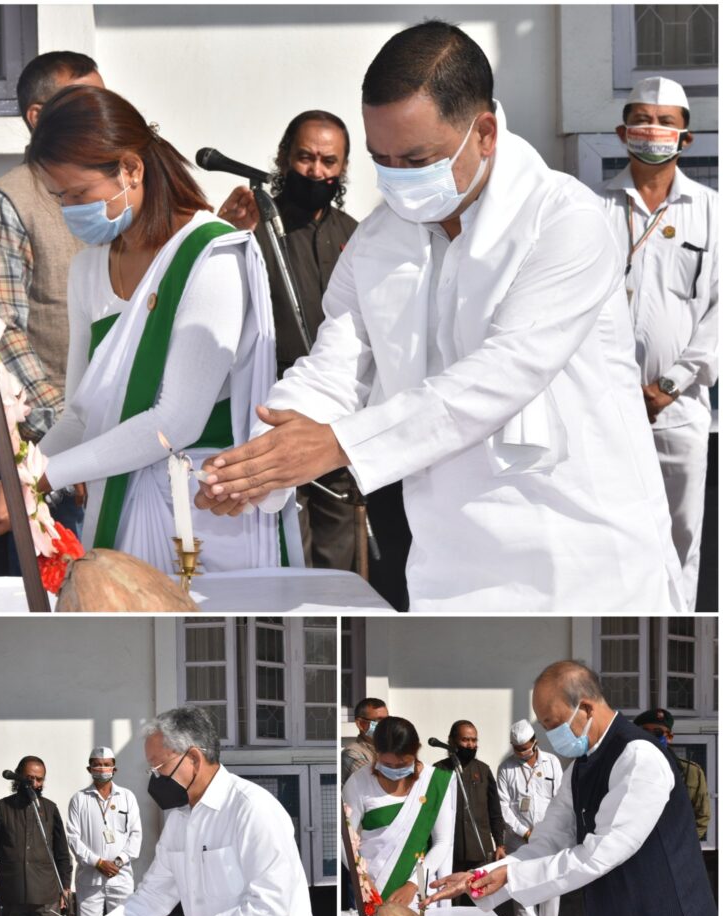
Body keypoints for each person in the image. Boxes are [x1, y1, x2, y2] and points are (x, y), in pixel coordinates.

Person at [196, 20, 685, 615]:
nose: (398, 178)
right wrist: (259, 464)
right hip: (447, 567)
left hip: (582, 558)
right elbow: (336, 367)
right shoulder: (378, 240)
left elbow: (501, 375)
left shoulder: (565, 221)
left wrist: (340, 444)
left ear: (484, 133)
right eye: (381, 159)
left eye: (416, 158)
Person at [0, 85, 295, 575]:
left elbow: (175, 422)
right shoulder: (88, 270)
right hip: (119, 512)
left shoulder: (210, 255)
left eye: (79, 194)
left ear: (130, 169)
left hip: (205, 520)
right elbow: (79, 417)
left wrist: (42, 478)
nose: (69, 210)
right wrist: (17, 482)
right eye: (60, 197)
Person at [423, 661, 718, 916]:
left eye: (552, 723)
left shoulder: (638, 757)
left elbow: (600, 853)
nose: (549, 735)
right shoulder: (581, 766)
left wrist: (510, 876)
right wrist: (479, 877)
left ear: (586, 708)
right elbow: (548, 840)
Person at [219, 112, 411, 598]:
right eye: (306, 157)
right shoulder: (257, 227)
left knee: (338, 552)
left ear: (344, 167)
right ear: (285, 157)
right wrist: (224, 234)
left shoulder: (358, 234)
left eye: (329, 161)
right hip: (272, 408)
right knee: (285, 546)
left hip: (342, 417)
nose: (316, 171)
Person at [43, 707, 323, 916]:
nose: (156, 778)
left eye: (159, 767)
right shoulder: (179, 820)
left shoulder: (253, 811)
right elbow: (152, 895)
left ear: (193, 758)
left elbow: (270, 908)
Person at [0, 51, 104, 540]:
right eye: (83, 101)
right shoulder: (6, 202)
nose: (99, 113)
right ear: (38, 116)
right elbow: (3, 337)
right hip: (55, 461)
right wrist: (71, 439)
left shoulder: (106, 192)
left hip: (119, 442)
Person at [597, 78, 717, 611]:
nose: (653, 129)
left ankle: (675, 614)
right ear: (623, 133)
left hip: (679, 409)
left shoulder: (711, 211)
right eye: (642, 120)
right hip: (603, 406)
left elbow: (719, 312)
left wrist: (670, 384)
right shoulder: (592, 207)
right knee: (612, 533)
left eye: (666, 122)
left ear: (686, 139)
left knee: (680, 536)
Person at [342, 716, 455, 908]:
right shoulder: (359, 782)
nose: (394, 770)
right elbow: (344, 839)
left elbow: (442, 842)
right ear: (376, 753)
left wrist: (413, 885)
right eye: (387, 764)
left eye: (402, 764)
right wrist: (362, 878)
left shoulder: (435, 782)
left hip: (420, 893)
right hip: (373, 890)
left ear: (416, 751)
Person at [67, 747, 143, 916]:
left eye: (106, 764)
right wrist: (97, 862)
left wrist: (118, 862)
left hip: (121, 876)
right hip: (90, 878)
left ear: (115, 768)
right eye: (97, 764)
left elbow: (135, 834)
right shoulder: (79, 799)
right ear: (89, 768)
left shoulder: (127, 797)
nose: (102, 769)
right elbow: (73, 837)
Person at [0, 756, 73, 916]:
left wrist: (65, 886)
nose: (35, 784)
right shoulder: (1, 809)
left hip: (47, 899)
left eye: (39, 779)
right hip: (13, 898)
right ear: (18, 776)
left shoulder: (49, 809)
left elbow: (62, 853)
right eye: (30, 778)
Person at [496, 718, 563, 916]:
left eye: (525, 748)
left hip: (549, 835)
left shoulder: (552, 762)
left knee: (552, 883)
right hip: (519, 838)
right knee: (522, 884)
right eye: (517, 749)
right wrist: (524, 831)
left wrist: (550, 829)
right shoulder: (506, 768)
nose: (521, 752)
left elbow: (560, 799)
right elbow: (504, 807)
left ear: (534, 742)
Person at [433, 720, 505, 903]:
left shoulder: (483, 770)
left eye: (474, 740)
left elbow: (495, 810)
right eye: (465, 740)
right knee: (452, 903)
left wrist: (500, 843)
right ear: (452, 741)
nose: (471, 745)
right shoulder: (439, 770)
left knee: (479, 902)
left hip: (479, 852)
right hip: (450, 852)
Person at [633, 707, 711, 839]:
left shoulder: (691, 772)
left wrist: (684, 843)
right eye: (644, 731)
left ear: (669, 737)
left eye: (657, 732)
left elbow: (702, 816)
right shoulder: (624, 768)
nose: (650, 737)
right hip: (637, 846)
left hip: (675, 846)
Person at [341, 697, 388, 785]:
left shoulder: (389, 749)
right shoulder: (351, 754)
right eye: (379, 720)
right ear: (361, 724)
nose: (385, 725)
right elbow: (376, 783)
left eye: (387, 720)